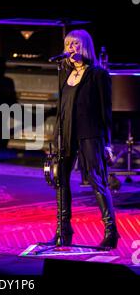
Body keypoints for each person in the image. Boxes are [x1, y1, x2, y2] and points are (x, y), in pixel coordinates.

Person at [50, 29, 119, 249]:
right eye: (68, 44)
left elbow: (105, 111)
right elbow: (61, 108)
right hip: (66, 133)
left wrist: (107, 143)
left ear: (85, 47)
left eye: (76, 44)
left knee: (96, 180)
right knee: (61, 180)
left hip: (90, 134)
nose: (71, 48)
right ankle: (64, 230)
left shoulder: (98, 74)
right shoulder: (64, 72)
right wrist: (55, 138)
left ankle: (111, 231)